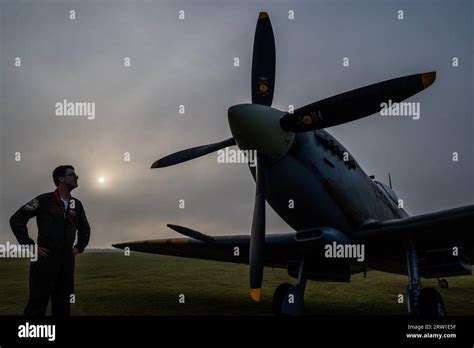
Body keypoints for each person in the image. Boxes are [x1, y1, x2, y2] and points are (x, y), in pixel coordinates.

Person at [10, 165, 91, 317]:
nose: (77, 177)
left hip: (66, 263)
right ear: (61, 179)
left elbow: (85, 228)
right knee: (36, 305)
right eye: (72, 174)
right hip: (44, 261)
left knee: (63, 306)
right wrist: (30, 245)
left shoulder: (77, 205)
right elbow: (16, 220)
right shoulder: (43, 200)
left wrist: (79, 247)